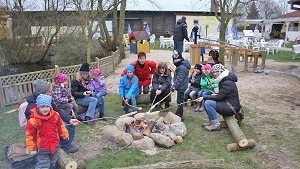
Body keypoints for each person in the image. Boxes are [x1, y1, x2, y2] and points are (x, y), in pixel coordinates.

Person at [23, 79, 80, 154]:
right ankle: (66, 146)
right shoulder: (33, 105)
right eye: (50, 91)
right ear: (43, 93)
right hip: (42, 129)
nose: (52, 92)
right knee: (65, 126)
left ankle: (64, 145)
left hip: (50, 122)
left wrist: (69, 119)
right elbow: (32, 123)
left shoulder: (47, 100)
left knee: (70, 124)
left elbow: (57, 111)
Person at [26, 94, 69, 169]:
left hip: (55, 144)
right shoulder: (33, 121)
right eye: (42, 107)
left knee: (54, 161)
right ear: (38, 107)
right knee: (43, 164)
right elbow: (30, 135)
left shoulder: (55, 116)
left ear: (50, 107)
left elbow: (61, 126)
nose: (45, 109)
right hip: (42, 147)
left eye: (47, 106)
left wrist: (64, 134)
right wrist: (31, 147)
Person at [196, 64, 241, 131]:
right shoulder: (224, 79)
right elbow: (222, 95)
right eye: (214, 72)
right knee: (206, 101)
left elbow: (220, 97)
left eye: (217, 71)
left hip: (231, 107)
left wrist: (204, 97)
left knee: (208, 103)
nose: (215, 73)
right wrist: (207, 97)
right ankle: (212, 121)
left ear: (222, 71)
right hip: (227, 102)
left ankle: (215, 124)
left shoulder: (227, 82)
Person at [170, 50, 191, 119]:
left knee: (180, 100)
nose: (175, 61)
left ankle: (180, 114)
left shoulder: (182, 67)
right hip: (181, 86)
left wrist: (174, 87)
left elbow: (179, 79)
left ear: (180, 58)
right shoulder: (181, 65)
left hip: (181, 87)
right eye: (174, 59)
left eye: (176, 59)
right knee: (179, 100)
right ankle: (179, 111)